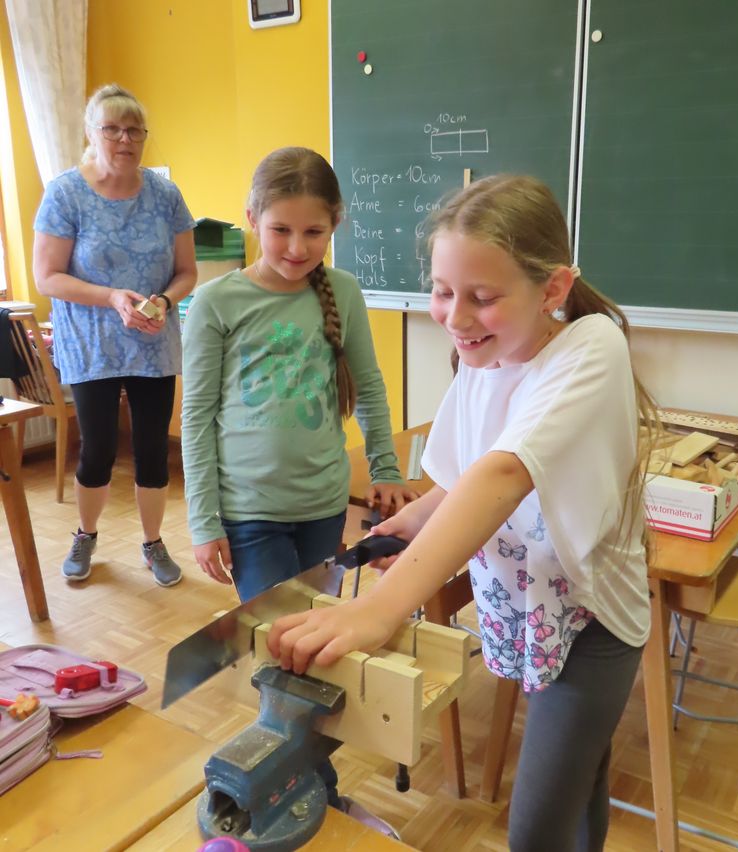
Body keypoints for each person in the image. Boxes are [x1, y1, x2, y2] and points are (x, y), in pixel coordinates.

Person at [265, 175, 657, 852]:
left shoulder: (592, 347)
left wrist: (380, 607)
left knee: (535, 829)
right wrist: (416, 522)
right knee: (580, 773)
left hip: (591, 622)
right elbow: (466, 475)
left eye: (482, 297)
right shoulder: (486, 354)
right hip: (533, 610)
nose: (455, 317)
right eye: (444, 292)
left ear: (554, 289)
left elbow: (506, 475)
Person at [180, 147, 415, 835]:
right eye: (281, 230)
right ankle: (304, 782)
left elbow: (369, 389)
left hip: (321, 509)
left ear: (334, 226)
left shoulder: (339, 291)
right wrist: (202, 521)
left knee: (319, 650)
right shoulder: (217, 303)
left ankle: (306, 779)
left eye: (313, 232)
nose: (296, 246)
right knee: (280, 654)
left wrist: (386, 471)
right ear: (253, 219)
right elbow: (196, 417)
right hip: (249, 516)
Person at [33, 83, 197, 587]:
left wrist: (165, 301)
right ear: (91, 133)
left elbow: (187, 271)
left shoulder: (166, 194)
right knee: (99, 448)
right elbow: (48, 277)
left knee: (152, 449)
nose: (125, 139)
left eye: (135, 130)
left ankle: (153, 542)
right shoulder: (65, 193)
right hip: (91, 342)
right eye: (112, 129)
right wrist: (111, 297)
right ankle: (85, 533)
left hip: (152, 339)